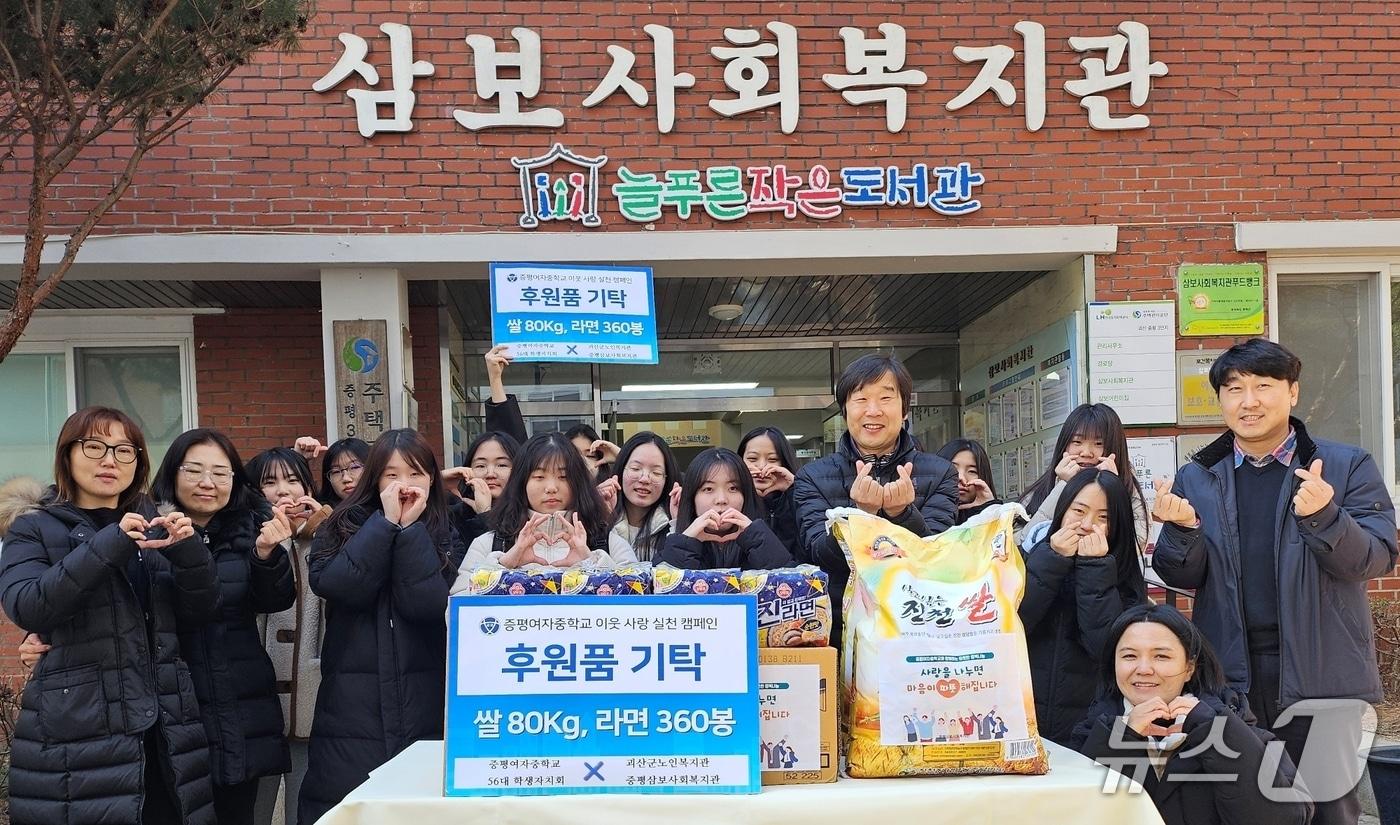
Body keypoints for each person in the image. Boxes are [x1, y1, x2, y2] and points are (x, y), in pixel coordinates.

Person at [1152, 338, 1397, 825]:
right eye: (1234, 388)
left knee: (1329, 809)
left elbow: (1375, 558)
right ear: (1220, 399)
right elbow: (1180, 576)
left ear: (1293, 393)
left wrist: (1325, 515)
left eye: (1264, 386)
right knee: (1244, 807)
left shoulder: (1346, 466)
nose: (1249, 401)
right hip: (1230, 676)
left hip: (1324, 674)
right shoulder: (1199, 475)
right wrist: (1181, 531)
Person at [0, 407, 220, 824]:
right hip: (79, 734)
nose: (109, 460)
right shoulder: (34, 528)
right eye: (95, 446)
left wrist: (190, 554)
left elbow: (199, 612)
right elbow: (26, 603)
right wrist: (110, 543)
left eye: (124, 450)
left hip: (166, 727)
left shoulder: (158, 525)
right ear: (67, 455)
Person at [299, 429, 466, 824]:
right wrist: (386, 525)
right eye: (391, 475)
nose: (404, 485)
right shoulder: (338, 526)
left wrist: (409, 533)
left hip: (427, 698)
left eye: (415, 473)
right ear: (375, 479)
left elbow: (427, 605)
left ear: (431, 479)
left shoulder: (447, 531)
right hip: (351, 709)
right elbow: (341, 586)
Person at [150, 429, 296, 825]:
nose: (207, 483)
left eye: (221, 472)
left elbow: (275, 600)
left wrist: (267, 555)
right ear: (172, 474)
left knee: (235, 806)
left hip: (239, 693)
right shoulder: (148, 531)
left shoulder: (252, 526)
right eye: (194, 470)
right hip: (173, 695)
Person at [1073, 604, 1313, 825]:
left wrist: (1216, 732)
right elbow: (1074, 812)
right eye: (1129, 656)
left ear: (1189, 668)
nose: (1143, 669)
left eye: (1161, 656)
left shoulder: (1238, 725)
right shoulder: (1092, 732)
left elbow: (1284, 818)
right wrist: (1122, 739)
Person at [793, 354, 960, 647]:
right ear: (845, 409)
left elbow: (939, 560)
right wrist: (860, 515)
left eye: (886, 398)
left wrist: (902, 514)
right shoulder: (811, 477)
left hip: (918, 630)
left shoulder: (941, 472)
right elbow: (817, 555)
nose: (873, 411)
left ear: (905, 409)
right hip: (840, 630)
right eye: (861, 399)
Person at [1019, 468, 1148, 746]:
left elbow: (1106, 648)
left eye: (1104, 518)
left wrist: (1095, 569)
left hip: (1087, 727)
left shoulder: (1123, 575)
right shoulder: (1029, 558)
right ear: (1063, 511)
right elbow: (1014, 625)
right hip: (1023, 720)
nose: (1088, 524)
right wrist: (1052, 560)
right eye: (1079, 511)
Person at [245, 446, 333, 825]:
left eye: (293, 480)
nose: (283, 491)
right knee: (254, 806)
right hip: (255, 704)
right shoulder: (244, 538)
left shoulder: (328, 537)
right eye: (269, 482)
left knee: (306, 804)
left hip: (312, 695)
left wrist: (325, 523)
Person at [455, 432, 637, 574]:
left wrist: (592, 562)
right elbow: (457, 611)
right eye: (539, 477)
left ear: (578, 482)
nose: (551, 487)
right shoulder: (489, 543)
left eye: (563, 477)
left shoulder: (607, 542)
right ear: (521, 482)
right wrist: (504, 565)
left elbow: (641, 608)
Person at [1019, 404, 1149, 553]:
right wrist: (1063, 485)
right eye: (1077, 442)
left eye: (1099, 444)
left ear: (1115, 448)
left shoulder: (1128, 488)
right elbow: (1020, 545)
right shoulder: (1040, 490)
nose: (1086, 452)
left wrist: (1115, 488)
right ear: (1064, 445)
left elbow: (1136, 545)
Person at [658, 447, 792, 570]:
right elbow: (664, 585)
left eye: (733, 488)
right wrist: (685, 541)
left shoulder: (765, 536)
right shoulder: (674, 544)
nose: (721, 499)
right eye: (708, 489)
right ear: (692, 497)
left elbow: (787, 584)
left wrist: (755, 538)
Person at [597, 432, 678, 562]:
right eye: (635, 468)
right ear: (621, 470)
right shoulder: (599, 519)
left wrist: (677, 526)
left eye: (656, 472)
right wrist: (597, 515)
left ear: (666, 479)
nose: (645, 479)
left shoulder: (675, 526)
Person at [441, 430, 520, 548]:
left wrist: (485, 514)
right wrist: (437, 482)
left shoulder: (529, 516)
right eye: (481, 466)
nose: (490, 474)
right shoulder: (453, 516)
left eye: (502, 465)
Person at [739, 426, 802, 559]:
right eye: (752, 459)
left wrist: (795, 489)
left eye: (773, 459)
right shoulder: (730, 502)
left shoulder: (796, 497)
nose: (761, 466)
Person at [935, 438, 1001, 524]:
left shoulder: (999, 516)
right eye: (952, 468)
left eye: (972, 471)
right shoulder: (921, 513)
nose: (961, 478)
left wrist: (988, 509)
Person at [295, 437, 370, 506]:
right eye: (336, 472)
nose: (346, 479)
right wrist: (298, 459)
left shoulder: (381, 507)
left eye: (354, 467)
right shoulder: (318, 512)